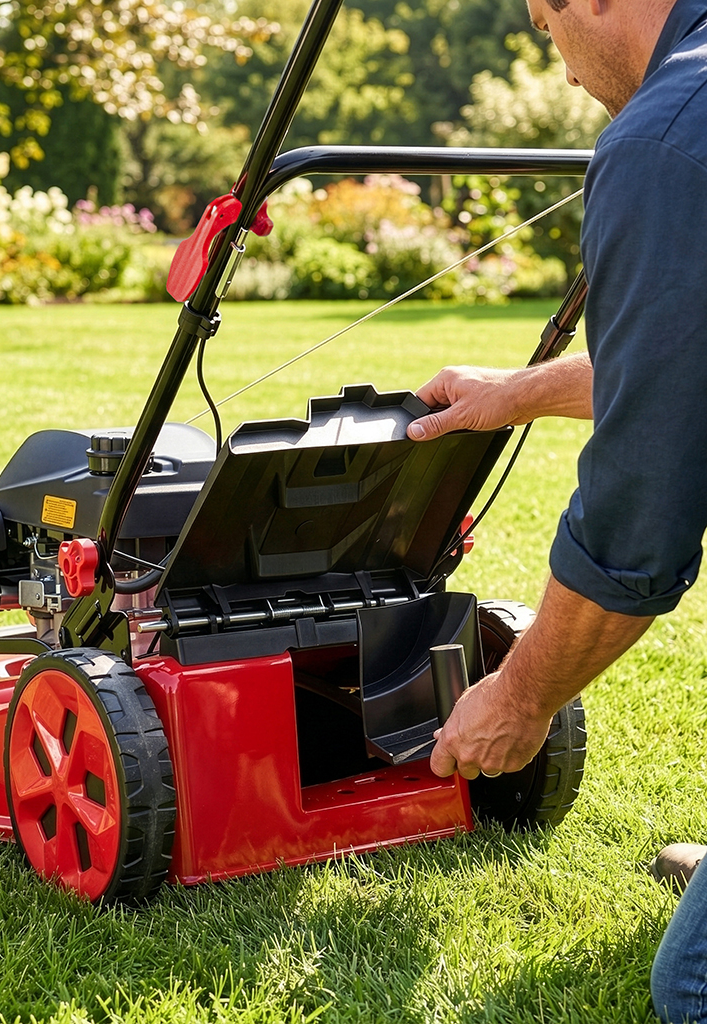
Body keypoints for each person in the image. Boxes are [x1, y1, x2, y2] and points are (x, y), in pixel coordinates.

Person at [405, 0, 707, 1019]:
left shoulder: (665, 138)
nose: (565, 70)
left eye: (543, 27)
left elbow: (640, 512)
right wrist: (516, 390)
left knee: (692, 984)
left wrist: (519, 695)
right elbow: (682, 362)